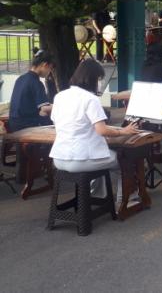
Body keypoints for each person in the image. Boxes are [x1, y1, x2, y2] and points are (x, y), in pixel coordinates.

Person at [49, 60, 139, 201]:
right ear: (92, 79)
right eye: (99, 79)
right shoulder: (91, 99)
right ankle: (125, 200)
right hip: (82, 159)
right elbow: (102, 130)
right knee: (124, 161)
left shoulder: (60, 96)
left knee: (100, 158)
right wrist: (124, 131)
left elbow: (59, 122)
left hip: (59, 158)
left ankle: (97, 197)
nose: (100, 83)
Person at [9, 50, 55, 132]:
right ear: (45, 65)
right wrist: (61, 106)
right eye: (50, 68)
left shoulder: (20, 79)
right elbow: (44, 108)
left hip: (13, 123)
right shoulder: (36, 83)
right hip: (26, 125)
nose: (49, 72)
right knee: (45, 113)